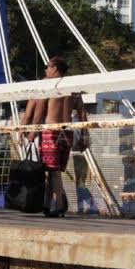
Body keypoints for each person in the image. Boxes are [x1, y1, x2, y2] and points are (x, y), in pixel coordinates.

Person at [22, 57, 83, 217]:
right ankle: (46, 204)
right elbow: (82, 113)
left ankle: (60, 205)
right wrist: (84, 135)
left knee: (53, 171)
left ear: (55, 69)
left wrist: (33, 131)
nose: (45, 70)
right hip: (68, 132)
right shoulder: (73, 87)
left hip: (51, 131)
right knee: (52, 170)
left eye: (47, 67)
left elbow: (39, 112)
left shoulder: (48, 86)